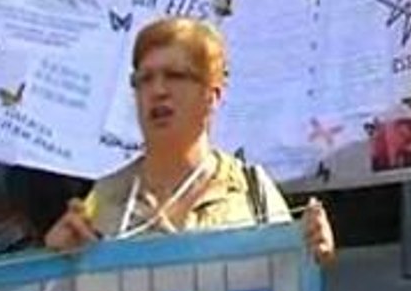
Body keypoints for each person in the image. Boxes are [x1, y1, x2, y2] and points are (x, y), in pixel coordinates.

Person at [43, 17, 336, 266]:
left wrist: (313, 251)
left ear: (212, 95)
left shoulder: (251, 190)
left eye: (175, 76)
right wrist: (53, 264)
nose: (157, 90)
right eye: (144, 79)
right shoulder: (105, 196)